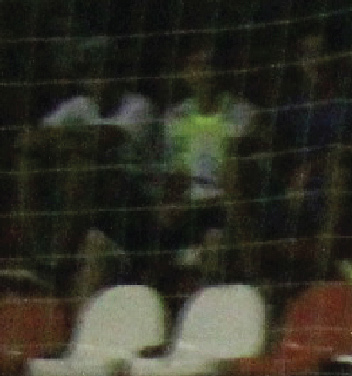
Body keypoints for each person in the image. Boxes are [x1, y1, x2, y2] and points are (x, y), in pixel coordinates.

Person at [15, 37, 154, 295]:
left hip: (133, 203)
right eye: (91, 70)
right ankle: (34, 253)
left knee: (83, 164)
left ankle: (59, 262)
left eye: (104, 69)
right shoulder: (77, 106)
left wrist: (65, 141)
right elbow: (27, 140)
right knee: (28, 160)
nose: (98, 77)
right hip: (85, 197)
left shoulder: (138, 106)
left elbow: (105, 140)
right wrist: (73, 140)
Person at [262, 29, 352, 276]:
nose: (315, 62)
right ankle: (257, 280)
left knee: (339, 175)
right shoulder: (291, 107)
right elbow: (272, 146)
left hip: (341, 189)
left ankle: (320, 274)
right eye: (308, 55)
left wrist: (312, 169)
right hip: (294, 190)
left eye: (321, 54)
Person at [146, 41, 253, 278]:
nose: (204, 73)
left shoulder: (240, 112)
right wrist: (171, 200)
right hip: (189, 208)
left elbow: (238, 170)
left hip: (226, 206)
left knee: (214, 240)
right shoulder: (176, 116)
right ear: (185, 73)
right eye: (196, 66)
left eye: (209, 65)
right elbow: (175, 171)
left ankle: (250, 274)